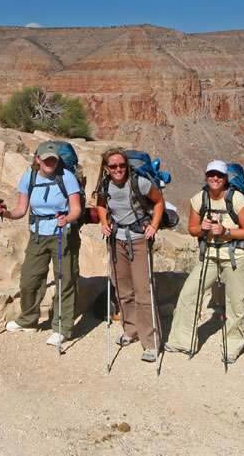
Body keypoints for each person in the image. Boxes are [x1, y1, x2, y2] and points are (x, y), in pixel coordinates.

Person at [164, 160, 244, 364]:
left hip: (235, 256)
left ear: (225, 179)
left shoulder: (237, 199)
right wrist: (203, 228)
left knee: (235, 301)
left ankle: (232, 346)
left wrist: (226, 232)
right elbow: (192, 229)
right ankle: (181, 341)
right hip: (210, 255)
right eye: (211, 174)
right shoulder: (199, 199)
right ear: (206, 176)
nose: (215, 178)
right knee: (189, 294)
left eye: (220, 175)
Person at [0, 141, 83, 347]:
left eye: (53, 159)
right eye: (46, 160)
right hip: (37, 235)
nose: (50, 163)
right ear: (38, 160)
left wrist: (67, 219)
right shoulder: (29, 178)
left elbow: (76, 209)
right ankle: (28, 320)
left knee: (65, 279)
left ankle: (62, 328)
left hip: (63, 234)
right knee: (29, 279)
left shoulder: (67, 178)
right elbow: (20, 210)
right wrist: (5, 213)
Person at [95, 148, 165, 363]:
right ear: (106, 168)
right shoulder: (105, 185)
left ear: (127, 166)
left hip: (139, 240)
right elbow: (100, 205)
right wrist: (105, 223)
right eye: (113, 166)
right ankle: (130, 330)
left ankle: (151, 343)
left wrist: (153, 225)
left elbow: (159, 202)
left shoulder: (140, 183)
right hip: (117, 240)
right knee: (123, 289)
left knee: (144, 292)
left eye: (122, 165)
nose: (118, 169)